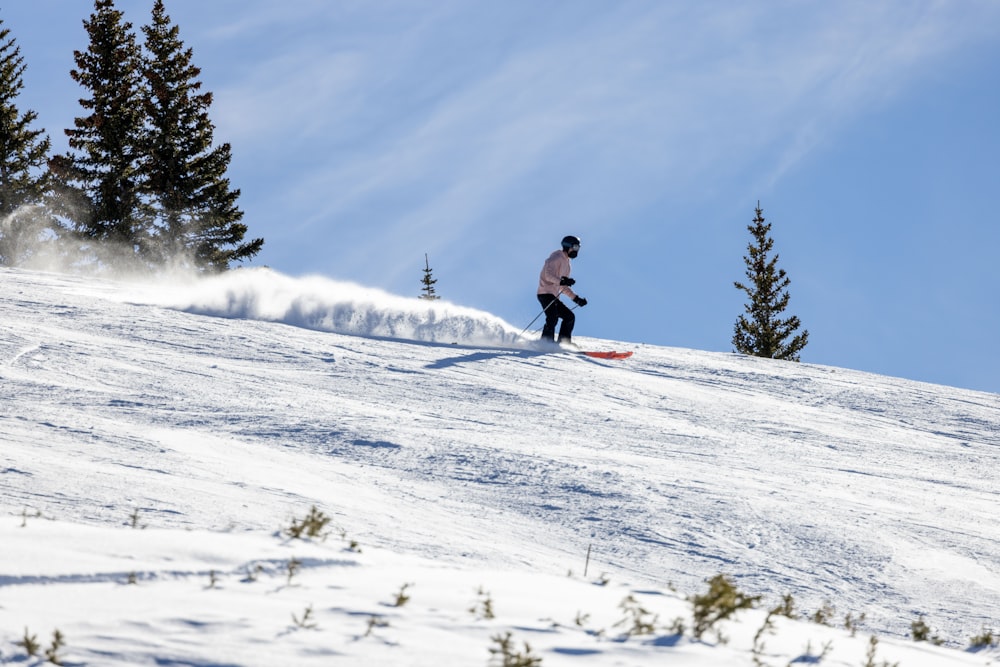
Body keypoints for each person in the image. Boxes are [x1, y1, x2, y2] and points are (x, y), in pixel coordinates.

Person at [536, 235, 588, 345]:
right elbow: (548, 275)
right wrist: (563, 281)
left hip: (553, 296)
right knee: (552, 317)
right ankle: (545, 343)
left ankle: (564, 343)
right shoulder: (556, 257)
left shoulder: (567, 264)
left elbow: (563, 287)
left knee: (569, 317)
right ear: (567, 246)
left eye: (578, 248)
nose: (576, 250)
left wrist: (576, 299)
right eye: (574, 247)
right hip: (545, 293)